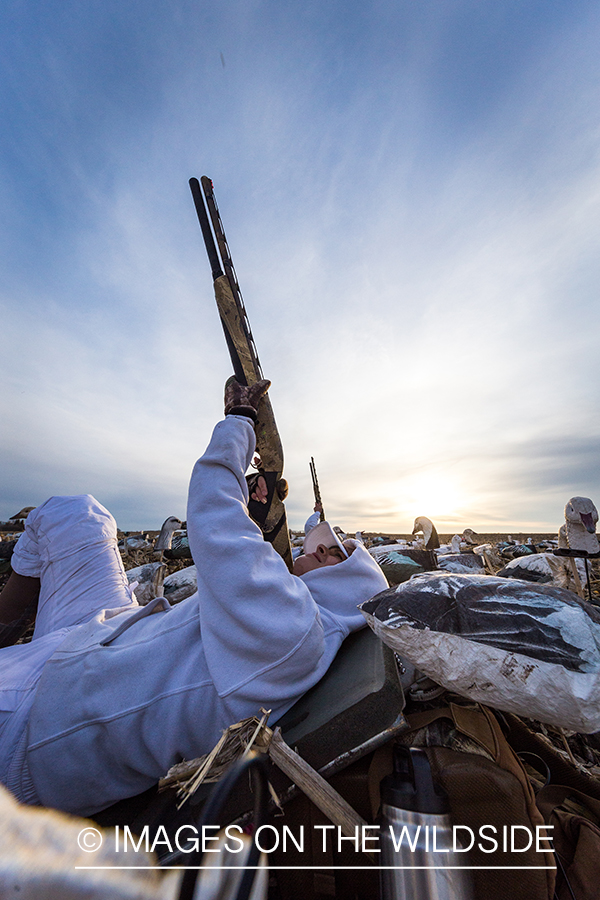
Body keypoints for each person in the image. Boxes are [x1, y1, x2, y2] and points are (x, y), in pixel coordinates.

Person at [0, 378, 388, 818]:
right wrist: (255, 511)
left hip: (45, 721)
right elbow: (238, 556)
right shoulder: (293, 619)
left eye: (336, 556)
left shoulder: (295, 630)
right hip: (97, 640)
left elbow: (213, 510)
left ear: (345, 589)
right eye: (329, 545)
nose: (319, 550)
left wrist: (239, 422)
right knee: (77, 515)